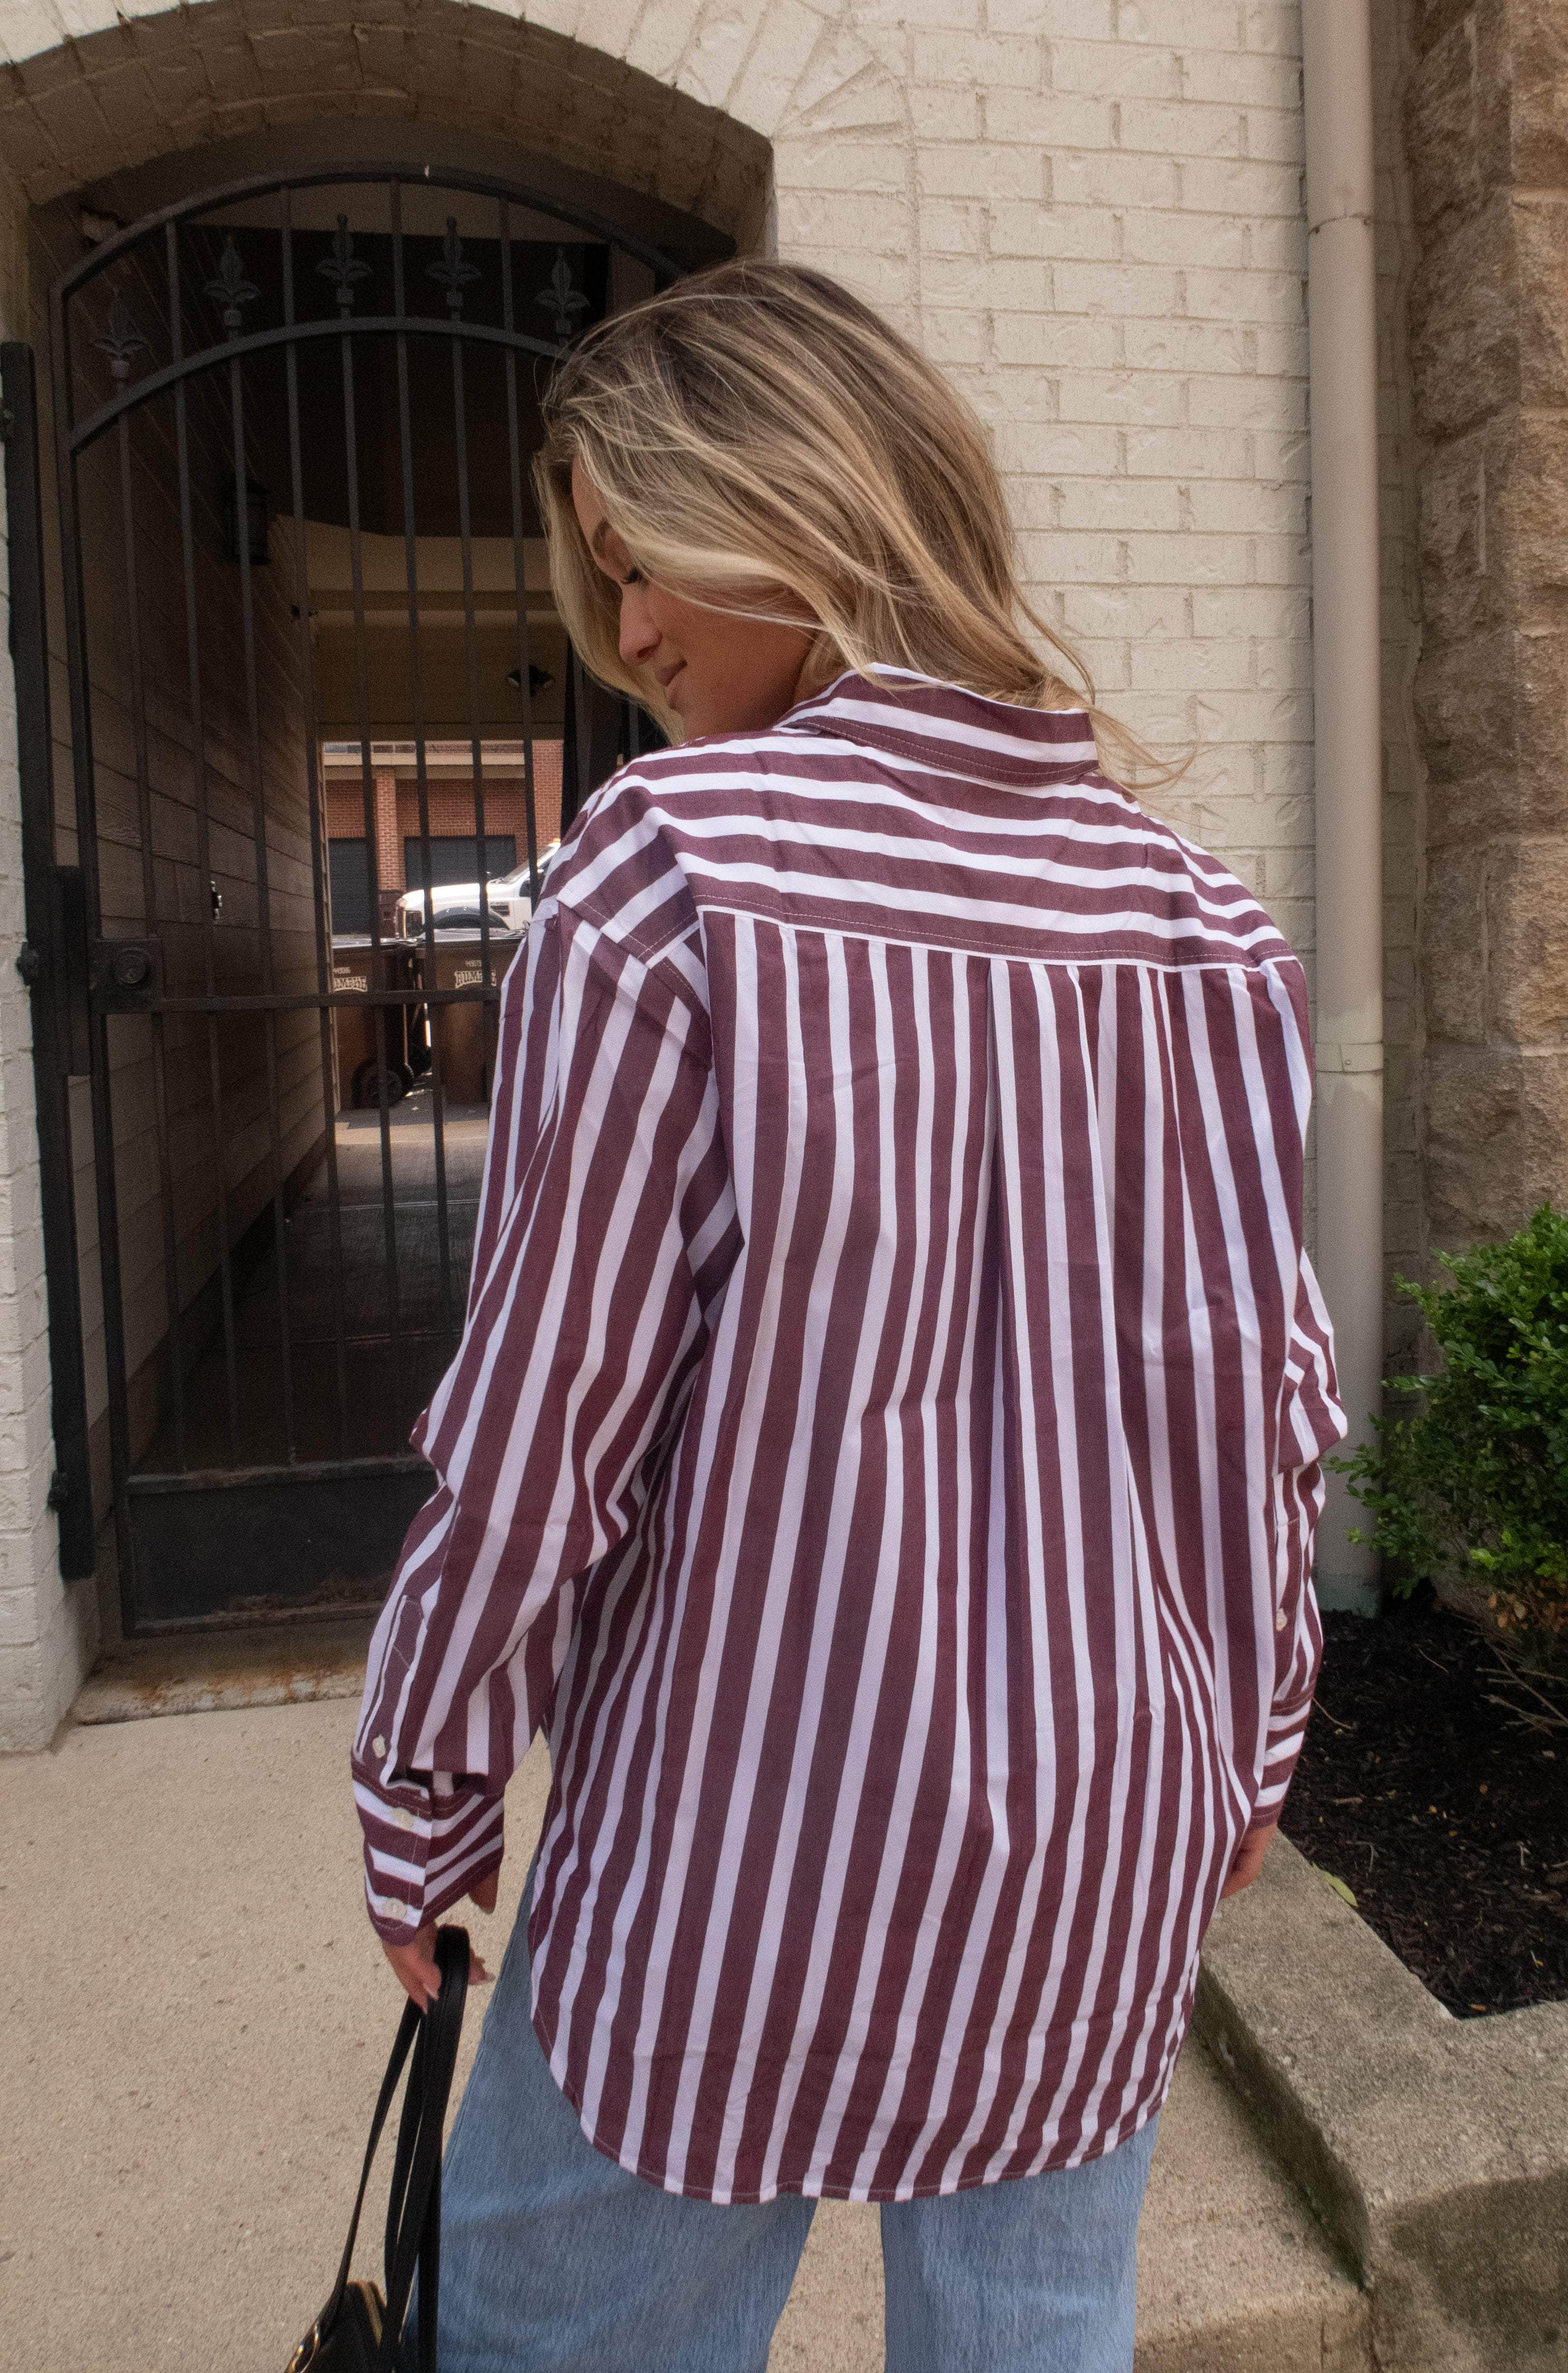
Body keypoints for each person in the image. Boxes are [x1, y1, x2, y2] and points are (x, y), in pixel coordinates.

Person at [351, 261, 1343, 2373]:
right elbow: (1261, 1406)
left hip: (735, 1861)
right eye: (607, 578)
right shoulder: (1202, 923)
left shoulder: (668, 873)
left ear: (796, 500)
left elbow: (546, 1423)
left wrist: (428, 1775)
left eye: (644, 559)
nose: (628, 631)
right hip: (1095, 1842)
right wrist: (1257, 1736)